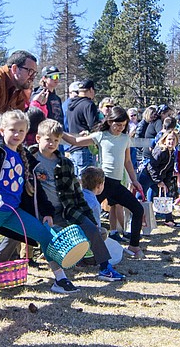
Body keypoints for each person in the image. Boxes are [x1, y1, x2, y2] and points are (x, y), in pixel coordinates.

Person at [0, 110, 66, 285]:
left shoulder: (26, 158)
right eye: (12, 130)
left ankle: (61, 279)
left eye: (21, 131)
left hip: (14, 213)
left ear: (26, 133)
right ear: (2, 131)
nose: (17, 134)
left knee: (46, 237)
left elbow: (36, 188)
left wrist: (46, 210)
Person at [24, 119, 124, 293]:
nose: (52, 144)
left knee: (92, 229)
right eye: (48, 139)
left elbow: (77, 194)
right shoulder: (28, 160)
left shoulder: (65, 164)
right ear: (38, 138)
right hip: (39, 211)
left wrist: (91, 220)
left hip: (66, 209)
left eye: (56, 140)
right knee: (41, 237)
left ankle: (105, 268)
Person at [61, 107, 146, 260]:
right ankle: (78, 248)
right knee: (86, 213)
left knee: (138, 209)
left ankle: (134, 245)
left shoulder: (125, 138)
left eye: (123, 125)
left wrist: (134, 181)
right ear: (109, 121)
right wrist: (59, 132)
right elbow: (76, 141)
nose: (119, 128)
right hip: (101, 184)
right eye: (117, 125)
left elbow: (127, 161)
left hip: (117, 184)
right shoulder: (101, 136)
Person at [139, 129, 179, 226]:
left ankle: (168, 219)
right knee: (140, 196)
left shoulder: (172, 153)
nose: (171, 142)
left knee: (166, 196)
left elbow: (169, 170)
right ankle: (137, 218)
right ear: (164, 140)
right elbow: (152, 166)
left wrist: (166, 183)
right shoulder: (160, 150)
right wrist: (158, 181)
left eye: (173, 140)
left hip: (159, 178)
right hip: (147, 176)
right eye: (169, 139)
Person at [62, 79, 100, 174]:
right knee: (88, 181)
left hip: (73, 147)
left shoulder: (70, 105)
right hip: (85, 147)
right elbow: (94, 126)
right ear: (91, 90)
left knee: (77, 181)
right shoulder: (89, 104)